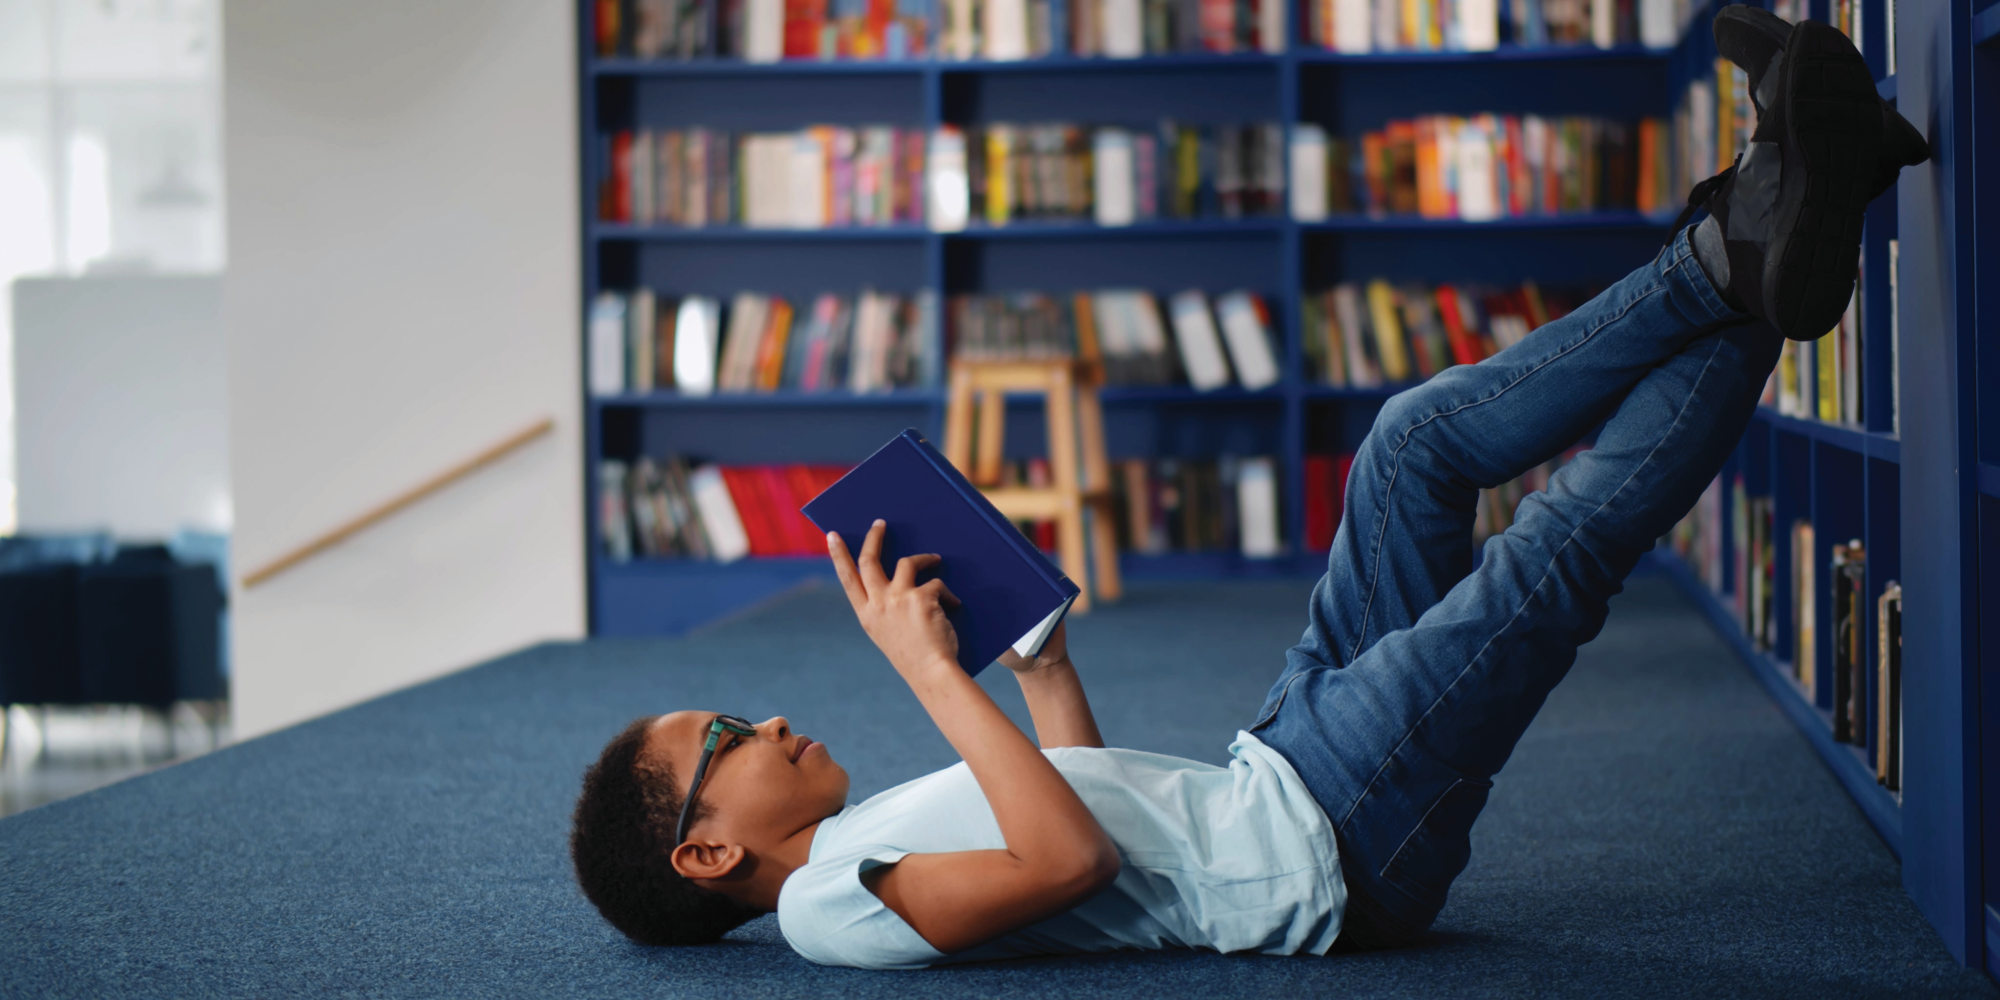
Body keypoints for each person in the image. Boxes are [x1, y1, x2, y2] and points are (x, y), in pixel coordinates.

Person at [569, 7, 1929, 968]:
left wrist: (1039, 669)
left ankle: (1759, 233)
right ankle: (1769, 233)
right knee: (1548, 557)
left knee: (1406, 443)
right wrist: (934, 678)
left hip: (1274, 767)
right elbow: (1068, 866)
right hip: (1326, 854)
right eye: (730, 734)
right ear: (702, 854)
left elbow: (1077, 812)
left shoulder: (853, 847)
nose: (772, 717)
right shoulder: (823, 914)